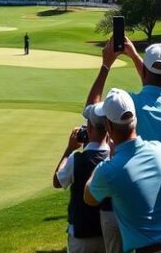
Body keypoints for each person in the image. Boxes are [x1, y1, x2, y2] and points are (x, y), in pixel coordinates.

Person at [84, 88, 161, 253]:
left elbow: (89, 197)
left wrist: (109, 159)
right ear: (135, 120)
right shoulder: (159, 150)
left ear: (108, 126)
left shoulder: (108, 170)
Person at [86, 37, 161, 186]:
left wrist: (106, 65)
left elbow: (90, 112)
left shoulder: (128, 104)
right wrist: (135, 56)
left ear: (143, 71)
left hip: (131, 195)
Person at [53, 103, 110, 253]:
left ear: (89, 128)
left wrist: (69, 149)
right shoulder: (114, 156)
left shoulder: (76, 159)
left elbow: (57, 181)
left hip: (82, 236)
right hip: (108, 235)